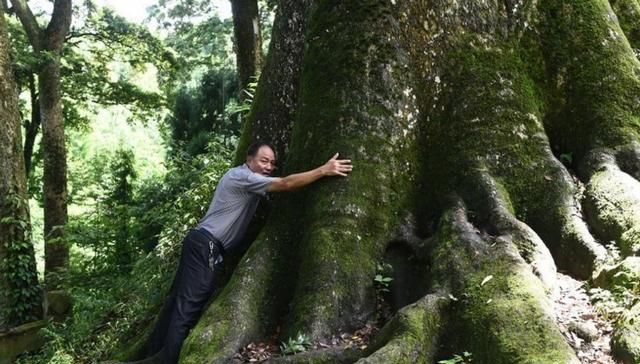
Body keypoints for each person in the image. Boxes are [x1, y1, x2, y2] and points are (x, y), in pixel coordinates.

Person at [145, 142, 353, 364]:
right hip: (206, 245)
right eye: (264, 161)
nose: (269, 167)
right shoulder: (243, 177)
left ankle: (153, 355)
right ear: (249, 159)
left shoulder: (245, 179)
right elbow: (285, 183)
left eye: (272, 163)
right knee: (188, 306)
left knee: (177, 302)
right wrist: (323, 170)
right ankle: (167, 359)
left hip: (200, 243)